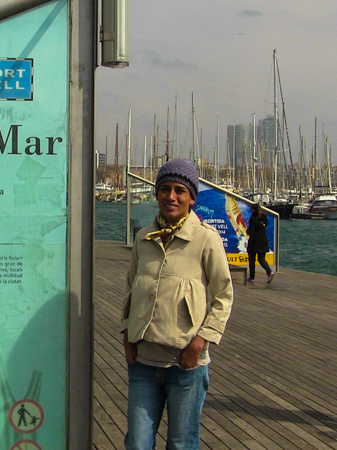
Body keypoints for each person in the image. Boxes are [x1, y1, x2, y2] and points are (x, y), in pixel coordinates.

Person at [121, 159, 234, 450]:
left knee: (182, 444)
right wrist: (127, 336)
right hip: (144, 362)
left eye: (179, 191)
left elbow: (223, 295)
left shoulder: (205, 239)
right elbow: (131, 290)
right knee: (137, 442)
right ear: (157, 194)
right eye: (165, 189)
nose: (171, 196)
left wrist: (200, 341)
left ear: (192, 198)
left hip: (186, 364)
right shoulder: (143, 238)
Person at [246, 203, 274, 283]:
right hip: (263, 240)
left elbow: (252, 231)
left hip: (254, 241)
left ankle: (252, 276)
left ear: (253, 210)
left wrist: (247, 230)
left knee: (252, 259)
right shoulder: (264, 217)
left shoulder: (253, 218)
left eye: (251, 209)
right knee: (261, 259)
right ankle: (269, 272)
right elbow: (264, 227)